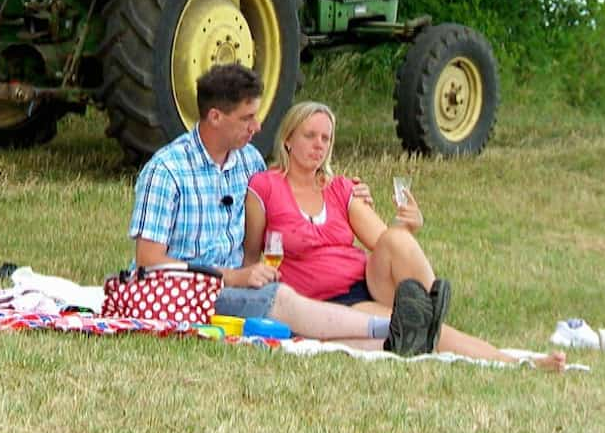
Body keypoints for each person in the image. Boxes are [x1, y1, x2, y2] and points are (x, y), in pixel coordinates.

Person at [128, 64, 445, 355]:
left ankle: (398, 339)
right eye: (247, 118)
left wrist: (346, 190)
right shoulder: (167, 171)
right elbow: (149, 260)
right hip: (183, 290)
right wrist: (235, 276)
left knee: (313, 320)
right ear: (215, 117)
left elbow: (288, 188)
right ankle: (392, 327)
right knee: (279, 298)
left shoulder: (248, 161)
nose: (258, 125)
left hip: (239, 285)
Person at [243, 100, 568, 372]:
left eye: (326, 138)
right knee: (429, 332)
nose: (319, 145)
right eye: (310, 136)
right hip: (329, 302)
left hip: (366, 281)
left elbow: (384, 240)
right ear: (288, 139)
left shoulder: (340, 188)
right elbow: (252, 254)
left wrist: (409, 226)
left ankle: (428, 305)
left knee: (398, 241)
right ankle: (514, 362)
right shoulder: (265, 186)